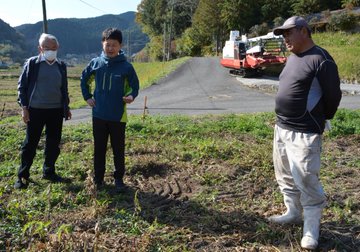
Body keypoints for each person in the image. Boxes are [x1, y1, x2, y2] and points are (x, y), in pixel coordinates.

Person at [268, 16, 342, 250]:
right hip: (282, 127)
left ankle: (311, 229)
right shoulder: (293, 58)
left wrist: (322, 119)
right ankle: (292, 212)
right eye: (283, 35)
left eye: (289, 33)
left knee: (307, 179)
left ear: (303, 31)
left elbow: (333, 96)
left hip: (305, 132)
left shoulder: (321, 59)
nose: (285, 39)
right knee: (285, 175)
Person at [80, 28, 139, 192]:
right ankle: (98, 179)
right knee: (99, 149)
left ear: (120, 45)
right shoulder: (96, 63)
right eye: (108, 45)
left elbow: (134, 86)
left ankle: (119, 179)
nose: (111, 48)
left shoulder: (126, 67)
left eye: (114, 45)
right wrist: (87, 96)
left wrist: (131, 96)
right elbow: (84, 80)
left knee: (118, 149)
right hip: (98, 115)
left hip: (118, 116)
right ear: (102, 44)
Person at [16, 33, 71, 189]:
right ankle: (23, 175)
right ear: (40, 48)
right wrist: (24, 108)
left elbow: (64, 89)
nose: (50, 50)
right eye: (47, 48)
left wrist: (66, 108)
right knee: (30, 144)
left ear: (57, 48)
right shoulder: (32, 64)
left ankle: (49, 171)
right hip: (35, 110)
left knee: (53, 144)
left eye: (53, 48)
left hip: (55, 110)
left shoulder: (61, 65)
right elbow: (22, 87)